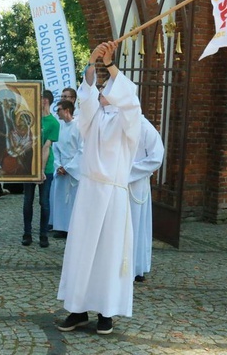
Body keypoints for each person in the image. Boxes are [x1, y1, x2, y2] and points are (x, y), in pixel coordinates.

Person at [56, 41, 141, 335]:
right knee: (82, 252)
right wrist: (93, 62)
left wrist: (112, 63)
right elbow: (86, 99)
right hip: (90, 193)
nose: (104, 92)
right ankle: (78, 309)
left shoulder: (130, 121)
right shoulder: (91, 119)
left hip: (113, 195)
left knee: (108, 254)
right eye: (104, 87)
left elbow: (130, 100)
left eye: (109, 87)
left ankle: (107, 313)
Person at [22, 90, 60, 248]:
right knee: (27, 201)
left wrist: (41, 170)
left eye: (39, 99)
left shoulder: (53, 123)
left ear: (45, 101)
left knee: (44, 202)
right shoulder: (30, 119)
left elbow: (46, 147)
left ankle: (43, 234)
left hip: (46, 168)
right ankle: (27, 233)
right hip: (28, 167)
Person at [129, 116, 164, 282]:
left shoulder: (146, 128)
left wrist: (130, 170)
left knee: (136, 226)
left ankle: (135, 266)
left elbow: (156, 158)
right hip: (117, 183)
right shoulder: (118, 122)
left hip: (137, 184)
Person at [51, 100, 82, 239]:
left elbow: (82, 150)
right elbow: (55, 148)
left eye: (59, 110)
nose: (57, 112)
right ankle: (61, 227)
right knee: (61, 199)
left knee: (73, 200)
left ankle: (73, 228)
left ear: (67, 110)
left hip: (74, 168)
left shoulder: (79, 127)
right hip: (61, 167)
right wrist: (58, 165)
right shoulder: (60, 127)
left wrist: (69, 168)